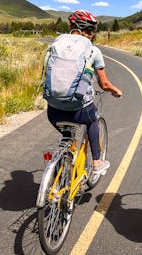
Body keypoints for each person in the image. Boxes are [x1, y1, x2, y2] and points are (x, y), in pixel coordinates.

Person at [46, 10, 123, 175]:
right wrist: (114, 90)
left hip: (53, 110)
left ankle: (62, 161)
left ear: (70, 27)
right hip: (79, 111)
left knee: (67, 135)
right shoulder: (93, 51)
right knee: (93, 120)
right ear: (90, 32)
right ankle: (96, 162)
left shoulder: (56, 46)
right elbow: (104, 84)